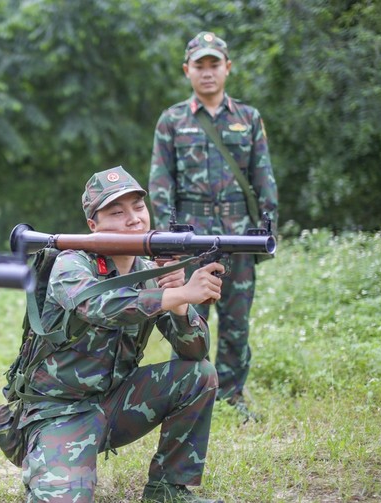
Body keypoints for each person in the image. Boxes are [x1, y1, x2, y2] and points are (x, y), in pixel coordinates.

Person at [18, 166, 225, 502]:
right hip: (61, 412)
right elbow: (99, 306)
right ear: (93, 225)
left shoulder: (149, 271)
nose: (134, 220)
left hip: (115, 403)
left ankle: (166, 490)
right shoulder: (72, 263)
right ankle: (44, 461)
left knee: (199, 375)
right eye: (117, 212)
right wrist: (180, 294)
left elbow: (195, 352)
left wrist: (180, 306)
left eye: (139, 208)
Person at [148, 31, 279, 419]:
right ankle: (188, 391)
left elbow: (264, 179)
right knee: (189, 315)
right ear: (187, 70)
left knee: (237, 318)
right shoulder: (172, 120)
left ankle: (233, 395)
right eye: (199, 66)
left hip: (239, 234)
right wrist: (167, 241)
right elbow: (160, 181)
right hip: (191, 234)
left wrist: (267, 232)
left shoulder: (248, 118)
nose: (207, 73)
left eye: (214, 65)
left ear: (227, 68)